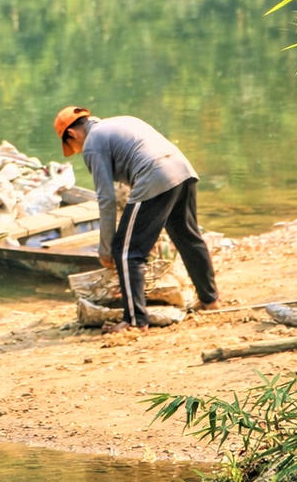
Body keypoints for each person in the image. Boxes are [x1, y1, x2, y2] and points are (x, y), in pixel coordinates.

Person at [54, 106, 219, 333]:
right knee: (187, 236)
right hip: (182, 170)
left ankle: (135, 321)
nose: (79, 151)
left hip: (155, 174)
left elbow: (106, 199)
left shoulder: (92, 142)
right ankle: (210, 300)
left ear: (72, 134)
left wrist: (105, 248)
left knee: (126, 252)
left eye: (74, 147)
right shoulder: (121, 121)